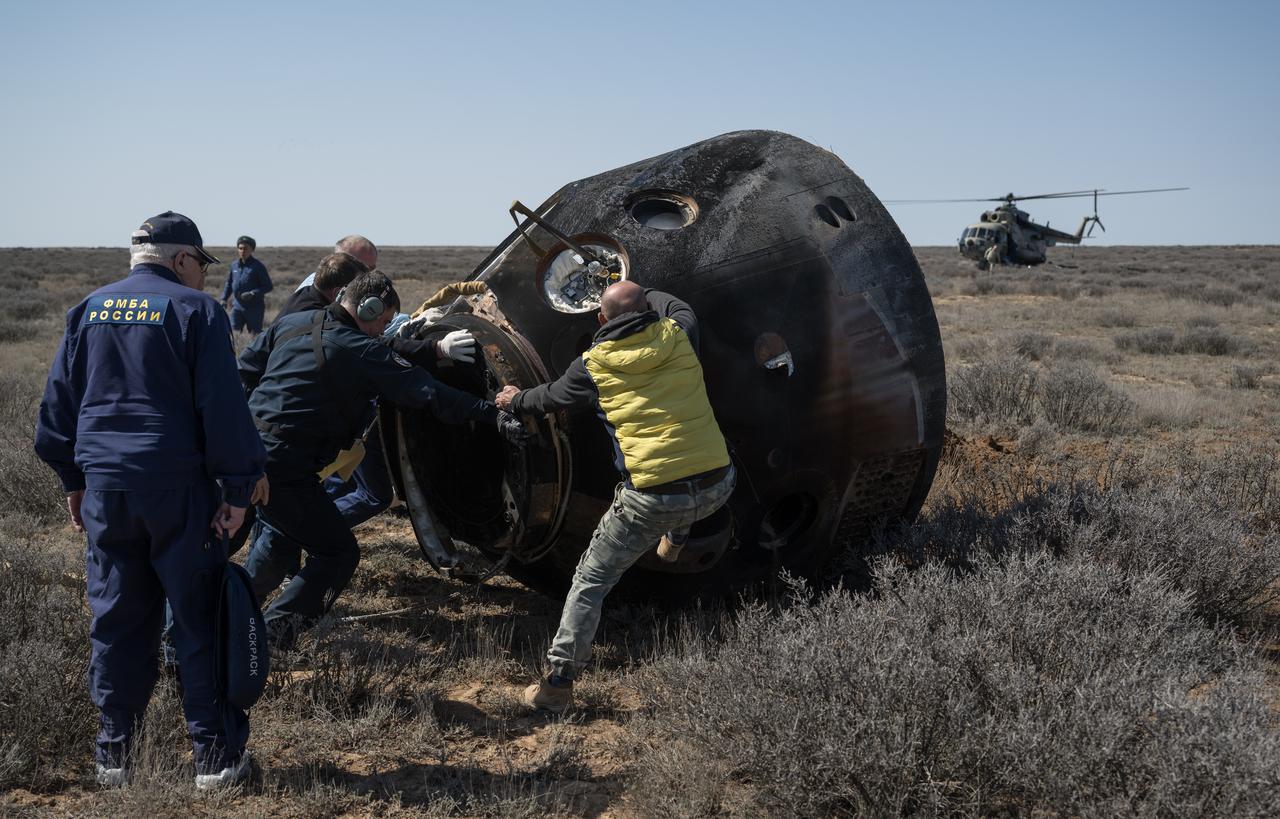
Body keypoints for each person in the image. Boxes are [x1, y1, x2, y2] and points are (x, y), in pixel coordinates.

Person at [34, 211, 267, 789]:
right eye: (200, 266)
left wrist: (73, 479)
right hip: (176, 489)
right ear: (182, 259)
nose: (204, 279)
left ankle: (114, 757)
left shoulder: (89, 308)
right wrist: (238, 491)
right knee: (196, 618)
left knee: (116, 619)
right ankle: (214, 761)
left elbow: (57, 410)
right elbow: (223, 407)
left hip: (106, 490)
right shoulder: (196, 312)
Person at [238, 271, 526, 649]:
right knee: (338, 553)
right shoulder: (361, 350)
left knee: (277, 540)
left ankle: (233, 616)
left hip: (249, 453)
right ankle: (271, 636)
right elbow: (430, 394)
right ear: (369, 309)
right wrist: (493, 415)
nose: (383, 330)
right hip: (286, 466)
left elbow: (243, 373)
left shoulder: (291, 323)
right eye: (385, 321)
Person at [496, 281, 735, 714]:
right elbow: (676, 302)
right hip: (719, 486)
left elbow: (547, 399)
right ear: (648, 310)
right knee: (689, 461)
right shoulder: (680, 333)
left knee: (590, 582)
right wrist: (640, 287)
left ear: (600, 320)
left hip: (653, 502)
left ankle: (557, 683)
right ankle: (676, 540)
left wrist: (514, 400)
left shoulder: (592, 366)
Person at [221, 235, 273, 334]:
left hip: (254, 308)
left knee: (255, 335)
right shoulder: (234, 265)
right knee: (234, 333)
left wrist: (253, 293)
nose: (242, 251)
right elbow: (229, 283)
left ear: (252, 250)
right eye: (240, 248)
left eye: (245, 248)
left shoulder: (258, 266)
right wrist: (224, 299)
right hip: (237, 307)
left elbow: (268, 286)